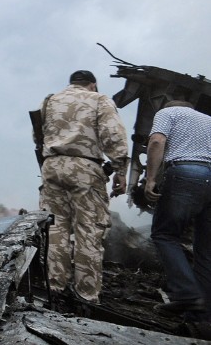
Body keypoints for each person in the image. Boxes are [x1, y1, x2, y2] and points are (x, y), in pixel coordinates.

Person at [38, 70, 129, 303]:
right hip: (85, 170)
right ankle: (86, 294)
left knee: (55, 229)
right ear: (93, 84)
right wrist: (120, 170)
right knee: (89, 230)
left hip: (51, 166)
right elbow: (113, 136)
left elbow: (38, 136)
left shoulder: (50, 101)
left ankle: (55, 287)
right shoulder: (99, 99)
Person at [144, 101, 211, 319]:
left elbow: (157, 141)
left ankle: (186, 294)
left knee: (164, 234)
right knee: (206, 250)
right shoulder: (209, 120)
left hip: (186, 173)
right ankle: (201, 315)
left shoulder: (168, 112)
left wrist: (151, 179)